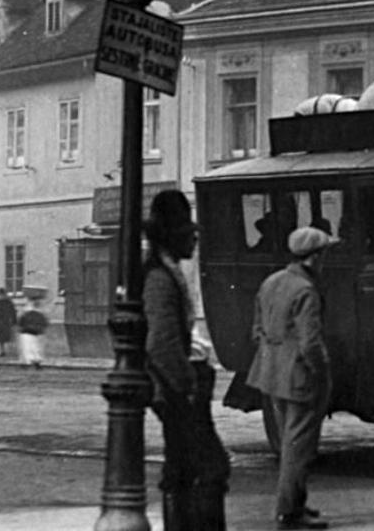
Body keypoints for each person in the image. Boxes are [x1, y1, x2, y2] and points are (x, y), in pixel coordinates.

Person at [143, 189, 230, 531]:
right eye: (187, 230)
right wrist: (187, 386)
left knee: (181, 468)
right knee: (210, 467)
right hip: (177, 392)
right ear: (172, 234)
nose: (195, 236)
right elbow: (162, 342)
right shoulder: (159, 278)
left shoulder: (165, 271)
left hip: (175, 389)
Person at [249, 226, 340, 530]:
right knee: (298, 448)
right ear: (313, 258)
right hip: (300, 378)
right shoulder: (306, 290)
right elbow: (310, 343)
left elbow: (257, 329)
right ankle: (289, 514)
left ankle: (296, 505)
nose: (326, 260)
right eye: (324, 254)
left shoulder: (271, 282)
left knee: (292, 443)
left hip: (272, 376)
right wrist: (323, 374)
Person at [17, 294, 49, 368]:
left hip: (27, 331)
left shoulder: (25, 312)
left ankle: (27, 362)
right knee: (36, 348)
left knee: (28, 348)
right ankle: (35, 361)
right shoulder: (40, 312)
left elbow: (20, 321)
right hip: (36, 332)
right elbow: (44, 322)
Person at [0, 288, 18, 358]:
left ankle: (2, 351)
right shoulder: (9, 302)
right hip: (7, 322)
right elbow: (13, 312)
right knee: (9, 336)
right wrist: (14, 321)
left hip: (0, 322)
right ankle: (10, 350)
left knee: (1, 338)